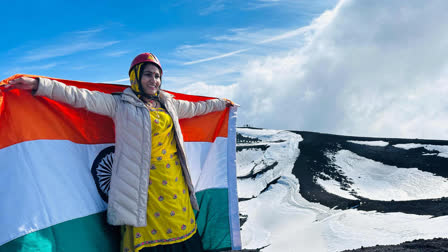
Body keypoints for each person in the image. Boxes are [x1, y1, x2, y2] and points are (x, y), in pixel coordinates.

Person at [6, 52, 235, 252]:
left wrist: (221, 104)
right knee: (148, 235)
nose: (153, 80)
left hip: (174, 184)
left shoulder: (169, 104)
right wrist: (39, 85)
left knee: (182, 230)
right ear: (135, 76)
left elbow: (198, 108)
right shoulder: (120, 105)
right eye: (148, 74)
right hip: (141, 188)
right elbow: (79, 96)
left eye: (157, 76)